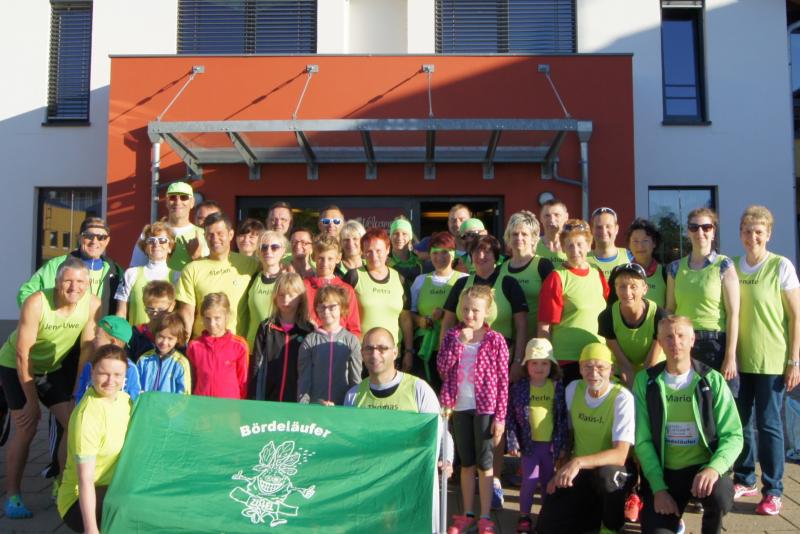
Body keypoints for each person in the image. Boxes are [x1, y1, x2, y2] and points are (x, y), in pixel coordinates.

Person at [0, 258, 101, 518]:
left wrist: (77, 390)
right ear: (57, 282)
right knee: (27, 426)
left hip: (51, 369)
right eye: (68, 281)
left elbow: (86, 349)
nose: (74, 287)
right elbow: (23, 354)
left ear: (88, 284)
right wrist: (32, 403)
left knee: (74, 422)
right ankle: (13, 495)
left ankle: (62, 483)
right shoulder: (37, 302)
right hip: (16, 366)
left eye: (80, 281)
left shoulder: (92, 303)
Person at [634, 316, 743, 534]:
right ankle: (673, 519)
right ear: (660, 342)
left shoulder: (712, 380)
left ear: (692, 340)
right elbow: (642, 441)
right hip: (665, 473)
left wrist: (714, 468)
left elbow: (734, 435)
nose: (675, 342)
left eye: (681, 336)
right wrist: (658, 488)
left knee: (721, 493)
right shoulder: (645, 381)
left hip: (702, 468)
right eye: (668, 337)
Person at [344, 326, 453, 534]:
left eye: (382, 348)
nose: (375, 354)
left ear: (395, 352)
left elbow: (440, 431)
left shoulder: (418, 389)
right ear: (362, 353)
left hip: (410, 483)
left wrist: (446, 459)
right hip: (371, 486)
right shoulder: (353, 395)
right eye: (369, 349)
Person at [732, 206, 800, 515]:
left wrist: (794, 361)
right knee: (741, 423)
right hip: (738, 360)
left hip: (772, 360)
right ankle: (745, 478)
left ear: (768, 234)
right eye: (747, 231)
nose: (752, 237)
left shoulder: (780, 266)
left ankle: (773, 490)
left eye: (758, 232)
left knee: (769, 424)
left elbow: (796, 317)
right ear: (740, 234)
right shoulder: (732, 267)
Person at [536, 343, 636, 534]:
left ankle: (612, 528)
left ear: (611, 369)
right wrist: (560, 470)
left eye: (600, 367)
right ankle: (591, 517)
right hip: (580, 470)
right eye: (588, 366)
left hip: (612, 471)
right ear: (580, 369)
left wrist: (578, 462)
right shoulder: (573, 389)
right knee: (546, 526)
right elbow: (568, 436)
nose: (594, 373)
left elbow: (620, 454)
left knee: (608, 476)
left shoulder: (622, 398)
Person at [438, 285, 509, 534]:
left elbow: (503, 381)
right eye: (466, 309)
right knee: (466, 463)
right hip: (458, 406)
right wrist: (459, 344)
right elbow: (442, 368)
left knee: (485, 463)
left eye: (475, 310)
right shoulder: (452, 336)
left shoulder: (495, 340)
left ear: (487, 311)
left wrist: (500, 417)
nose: (469, 315)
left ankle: (485, 515)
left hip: (485, 408)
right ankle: (467, 513)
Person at [56, 345, 133, 534]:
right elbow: (85, 479)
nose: (110, 381)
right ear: (92, 373)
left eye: (117, 374)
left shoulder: (125, 400)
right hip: (79, 502)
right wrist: (91, 529)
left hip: (113, 487)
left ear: (125, 375)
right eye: (103, 373)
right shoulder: (87, 416)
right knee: (135, 506)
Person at [666, 208, 739, 391]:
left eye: (706, 227)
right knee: (687, 400)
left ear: (713, 232)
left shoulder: (724, 265)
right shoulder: (675, 268)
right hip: (683, 345)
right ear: (688, 232)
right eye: (694, 227)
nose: (700, 232)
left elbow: (733, 314)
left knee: (716, 401)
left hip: (715, 346)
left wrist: (730, 356)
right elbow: (670, 309)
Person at [506, 338, 569, 534]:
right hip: (529, 445)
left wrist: (562, 445)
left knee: (548, 482)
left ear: (551, 365)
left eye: (544, 363)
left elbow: (561, 418)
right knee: (529, 481)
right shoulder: (519, 388)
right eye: (534, 363)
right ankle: (524, 517)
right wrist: (512, 441)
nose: (539, 368)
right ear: (527, 365)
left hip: (550, 446)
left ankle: (546, 516)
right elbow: (510, 417)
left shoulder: (556, 387)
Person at [538, 218, 609, 384]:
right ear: (563, 248)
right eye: (569, 245)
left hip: (597, 358)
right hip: (568, 360)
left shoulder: (597, 272)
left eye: (579, 244)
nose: (575, 250)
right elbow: (544, 326)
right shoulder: (557, 277)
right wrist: (547, 361)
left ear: (589, 245)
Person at [175, 212, 259, 339]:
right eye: (210, 235)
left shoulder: (250, 265)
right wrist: (184, 345)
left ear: (230, 235)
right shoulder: (192, 269)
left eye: (220, 233)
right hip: (203, 345)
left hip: (236, 345)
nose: (215, 239)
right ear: (205, 236)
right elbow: (187, 314)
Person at [19, 216, 123, 316]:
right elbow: (26, 293)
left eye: (101, 237)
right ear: (80, 238)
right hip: (63, 328)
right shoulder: (58, 265)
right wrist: (44, 319)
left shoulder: (115, 271)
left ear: (107, 241)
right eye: (89, 236)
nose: (94, 241)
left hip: (100, 328)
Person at [343, 228, 414, 359]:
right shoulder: (353, 277)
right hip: (360, 354)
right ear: (362, 252)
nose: (374, 256)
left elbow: (405, 319)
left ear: (387, 249)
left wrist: (409, 351)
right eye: (369, 251)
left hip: (392, 355)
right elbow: (342, 315)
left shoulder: (400, 280)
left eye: (378, 251)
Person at [409, 232, 467, 389]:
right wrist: (421, 321)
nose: (439, 257)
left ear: (453, 254)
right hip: (425, 348)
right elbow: (410, 314)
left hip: (454, 347)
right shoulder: (420, 280)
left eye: (444, 252)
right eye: (435, 252)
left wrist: (447, 315)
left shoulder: (464, 279)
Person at [599, 262, 667, 387]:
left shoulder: (659, 316)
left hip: (655, 370)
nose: (627, 292)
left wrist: (640, 391)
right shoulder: (607, 317)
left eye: (633, 286)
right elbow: (624, 365)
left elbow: (650, 364)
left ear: (645, 289)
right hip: (623, 371)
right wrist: (630, 392)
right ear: (615, 288)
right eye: (622, 286)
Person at [250, 273, 314, 402]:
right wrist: (254, 397)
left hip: (297, 401)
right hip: (269, 399)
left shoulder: (307, 330)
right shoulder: (266, 327)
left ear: (301, 298)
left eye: (291, 295)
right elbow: (256, 365)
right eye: (281, 295)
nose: (286, 300)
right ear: (275, 297)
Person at [297, 285, 362, 405]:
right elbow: (304, 380)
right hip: (316, 406)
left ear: (342, 308)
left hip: (343, 407)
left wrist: (353, 406)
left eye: (332, 307)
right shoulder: (309, 341)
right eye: (322, 307)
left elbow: (355, 380)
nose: (326, 312)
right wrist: (304, 407)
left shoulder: (351, 340)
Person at [499, 210, 555, 345]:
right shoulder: (500, 268)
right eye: (514, 234)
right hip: (506, 344)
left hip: (536, 342)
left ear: (534, 238)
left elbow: (553, 306)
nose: (519, 238)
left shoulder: (543, 266)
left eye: (524, 234)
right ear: (508, 237)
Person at [129, 181, 207, 271]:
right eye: (172, 197)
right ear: (166, 202)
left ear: (192, 202)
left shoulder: (205, 235)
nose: (178, 202)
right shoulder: (150, 233)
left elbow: (211, 274)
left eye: (184, 197)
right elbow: (135, 270)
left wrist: (197, 257)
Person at [115, 221, 179, 326]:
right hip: (136, 335)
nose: (156, 244)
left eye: (162, 240)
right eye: (151, 240)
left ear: (170, 247)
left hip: (164, 335)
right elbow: (121, 313)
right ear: (145, 247)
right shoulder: (131, 274)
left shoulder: (177, 276)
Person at [187, 292, 248, 399]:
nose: (212, 324)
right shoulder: (194, 346)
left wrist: (240, 404)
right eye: (207, 318)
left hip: (229, 406)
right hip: (201, 405)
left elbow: (243, 381)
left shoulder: (239, 346)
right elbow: (192, 380)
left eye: (217, 318)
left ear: (227, 316)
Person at [74, 316, 141, 403]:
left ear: (112, 342)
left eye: (97, 337)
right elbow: (80, 396)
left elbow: (134, 399)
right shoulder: (90, 366)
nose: (93, 341)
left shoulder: (130, 369)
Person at [304, 236, 361, 337]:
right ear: (313, 257)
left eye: (330, 259)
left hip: (339, 343)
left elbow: (354, 328)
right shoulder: (304, 286)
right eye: (321, 258)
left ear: (338, 258)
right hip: (309, 341)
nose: (325, 263)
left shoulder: (346, 290)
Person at [244, 231, 288, 350]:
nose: (268, 251)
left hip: (278, 347)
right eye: (263, 247)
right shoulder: (252, 278)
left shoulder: (288, 280)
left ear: (283, 251)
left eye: (274, 247)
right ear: (258, 251)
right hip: (253, 346)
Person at [136, 312, 191, 394]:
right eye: (161, 336)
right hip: (146, 402)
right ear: (155, 335)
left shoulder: (180, 363)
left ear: (178, 339)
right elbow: (135, 387)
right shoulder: (144, 360)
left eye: (170, 338)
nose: (164, 342)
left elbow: (184, 393)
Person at [128, 280, 176, 361]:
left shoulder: (176, 333)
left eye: (161, 309)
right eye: (150, 309)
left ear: (172, 306)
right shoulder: (136, 334)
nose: (155, 314)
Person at [627, 218, 667, 307]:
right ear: (629, 244)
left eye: (645, 241)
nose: (640, 246)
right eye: (635, 241)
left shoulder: (665, 273)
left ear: (654, 243)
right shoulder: (622, 273)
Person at [588, 206, 633, 280]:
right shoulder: (582, 260)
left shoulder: (630, 257)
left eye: (608, 226)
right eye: (599, 227)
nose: (604, 231)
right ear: (592, 230)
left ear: (616, 229)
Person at [388, 216, 423, 281]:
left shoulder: (419, 261)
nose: (399, 238)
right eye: (396, 233)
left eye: (404, 234)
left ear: (410, 237)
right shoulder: (383, 261)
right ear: (390, 236)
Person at [536, 199, 568, 266]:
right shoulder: (533, 245)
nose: (552, 220)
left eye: (557, 215)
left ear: (566, 217)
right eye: (547, 216)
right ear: (541, 218)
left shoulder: (573, 245)